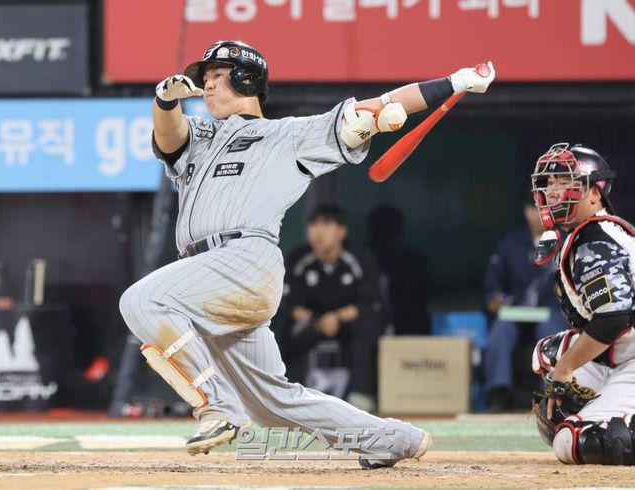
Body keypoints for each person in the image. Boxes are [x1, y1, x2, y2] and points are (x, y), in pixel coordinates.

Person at [118, 39, 494, 468]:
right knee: (272, 405)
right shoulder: (203, 136)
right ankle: (393, 439)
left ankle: (217, 404)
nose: (208, 86)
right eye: (205, 79)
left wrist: (453, 82)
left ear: (247, 79)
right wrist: (164, 101)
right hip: (208, 273)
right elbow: (169, 138)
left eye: (219, 75)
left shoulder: (289, 134)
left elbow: (379, 109)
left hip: (243, 258)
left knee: (141, 301)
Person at [530, 143, 635, 465]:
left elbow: (614, 318)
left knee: (577, 442)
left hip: (629, 353)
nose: (553, 191)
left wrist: (565, 371)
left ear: (595, 192)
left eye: (565, 182)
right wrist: (560, 368)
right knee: (546, 354)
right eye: (549, 183)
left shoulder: (597, 237)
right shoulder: (588, 233)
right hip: (620, 354)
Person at [279, 204, 383, 412]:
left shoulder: (360, 258)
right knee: (281, 324)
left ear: (341, 232)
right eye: (314, 225)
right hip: (311, 321)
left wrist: (336, 318)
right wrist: (314, 320)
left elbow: (369, 301)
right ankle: (286, 390)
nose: (318, 232)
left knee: (367, 326)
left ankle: (361, 394)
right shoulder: (298, 258)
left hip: (345, 320)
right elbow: (289, 302)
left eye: (327, 224)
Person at [483, 200, 568, 412]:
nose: (539, 215)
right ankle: (498, 393)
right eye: (535, 209)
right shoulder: (511, 243)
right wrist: (495, 299)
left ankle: (550, 391)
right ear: (527, 211)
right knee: (501, 328)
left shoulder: (566, 241)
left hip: (553, 310)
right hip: (517, 310)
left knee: (551, 331)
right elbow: (493, 283)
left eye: (545, 209)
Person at [366, 205, 431, 335]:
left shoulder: (413, 259)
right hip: (370, 328)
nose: (387, 235)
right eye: (383, 229)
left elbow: (424, 296)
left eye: (392, 229)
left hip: (409, 329)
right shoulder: (362, 258)